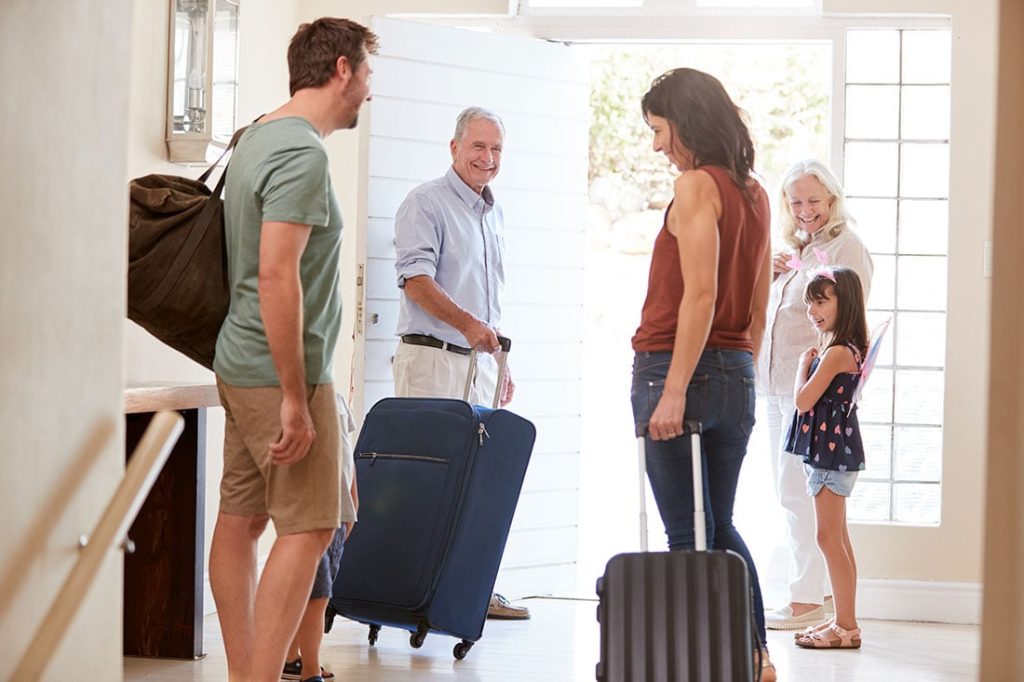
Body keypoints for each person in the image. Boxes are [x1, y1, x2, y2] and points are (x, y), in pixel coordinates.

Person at [209, 18, 377, 682]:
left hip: (238, 359)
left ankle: (243, 673)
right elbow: (276, 274)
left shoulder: (258, 134)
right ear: (341, 69)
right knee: (310, 529)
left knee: (241, 519)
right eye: (368, 74)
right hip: (280, 372)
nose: (369, 90)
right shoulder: (302, 154)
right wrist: (294, 397)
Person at [630, 68, 775, 680]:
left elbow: (699, 297)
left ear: (687, 123)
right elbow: (759, 305)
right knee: (717, 523)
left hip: (675, 366)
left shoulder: (696, 187)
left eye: (660, 130)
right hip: (736, 370)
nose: (658, 145)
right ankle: (755, 656)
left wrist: (675, 390)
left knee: (687, 535)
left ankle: (702, 666)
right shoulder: (755, 193)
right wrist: (737, 368)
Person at [391, 106, 527, 621]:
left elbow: (489, 305)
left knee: (478, 482)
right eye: (478, 147)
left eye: (495, 149)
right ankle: (413, 594)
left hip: (482, 364)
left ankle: (468, 592)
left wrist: (501, 364)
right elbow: (416, 281)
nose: (487, 159)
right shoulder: (425, 203)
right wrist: (470, 326)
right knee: (428, 481)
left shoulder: (493, 213)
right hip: (432, 360)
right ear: (454, 148)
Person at [756, 160, 873, 631]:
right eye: (795, 201)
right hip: (780, 382)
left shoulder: (847, 248)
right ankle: (818, 593)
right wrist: (771, 273)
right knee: (794, 490)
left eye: (813, 200)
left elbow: (849, 320)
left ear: (832, 199)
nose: (805, 210)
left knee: (799, 493)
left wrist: (818, 377)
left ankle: (805, 599)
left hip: (809, 390)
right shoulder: (799, 251)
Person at [784, 267, 869, 650]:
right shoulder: (847, 348)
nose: (812, 310)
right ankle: (842, 621)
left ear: (843, 302)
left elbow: (803, 401)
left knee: (828, 538)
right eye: (809, 303)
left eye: (821, 301)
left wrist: (803, 366)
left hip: (829, 455)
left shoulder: (836, 352)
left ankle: (846, 626)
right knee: (838, 538)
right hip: (834, 451)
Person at [282, 397, 359, 682]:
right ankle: (310, 670)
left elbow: (346, 451)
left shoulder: (336, 398)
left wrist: (353, 499)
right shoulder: (297, 399)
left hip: (338, 510)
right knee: (317, 593)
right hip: (313, 510)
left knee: (316, 591)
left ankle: (291, 658)